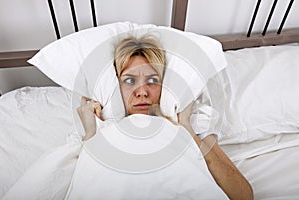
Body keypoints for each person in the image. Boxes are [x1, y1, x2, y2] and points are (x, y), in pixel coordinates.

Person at [77, 34, 253, 200]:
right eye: (130, 81)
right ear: (117, 85)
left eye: (152, 81)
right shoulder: (104, 129)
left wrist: (185, 126)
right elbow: (89, 184)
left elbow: (243, 195)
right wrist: (91, 132)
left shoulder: (191, 125)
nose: (142, 92)